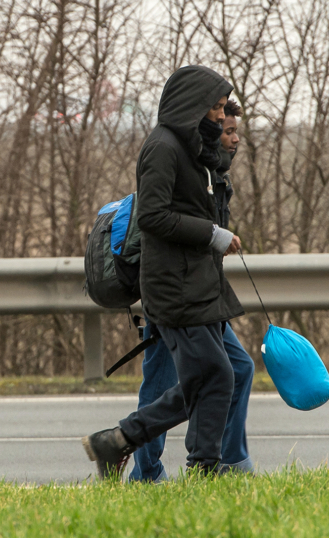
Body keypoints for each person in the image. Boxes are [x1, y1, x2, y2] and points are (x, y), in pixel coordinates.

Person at [82, 66, 245, 478]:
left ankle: (121, 443)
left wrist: (220, 153)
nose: (219, 117)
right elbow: (154, 215)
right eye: (215, 108)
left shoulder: (190, 146)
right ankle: (194, 463)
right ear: (194, 106)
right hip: (173, 286)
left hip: (198, 283)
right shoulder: (163, 146)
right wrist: (212, 234)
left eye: (223, 108)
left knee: (216, 377)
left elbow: (202, 187)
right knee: (213, 376)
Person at [127, 99, 254, 482]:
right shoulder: (171, 152)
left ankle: (227, 461)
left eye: (234, 131)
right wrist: (214, 235)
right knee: (172, 380)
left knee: (233, 369)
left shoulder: (212, 171)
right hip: (176, 295)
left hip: (201, 294)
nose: (233, 139)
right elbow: (157, 218)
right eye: (227, 129)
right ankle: (145, 468)